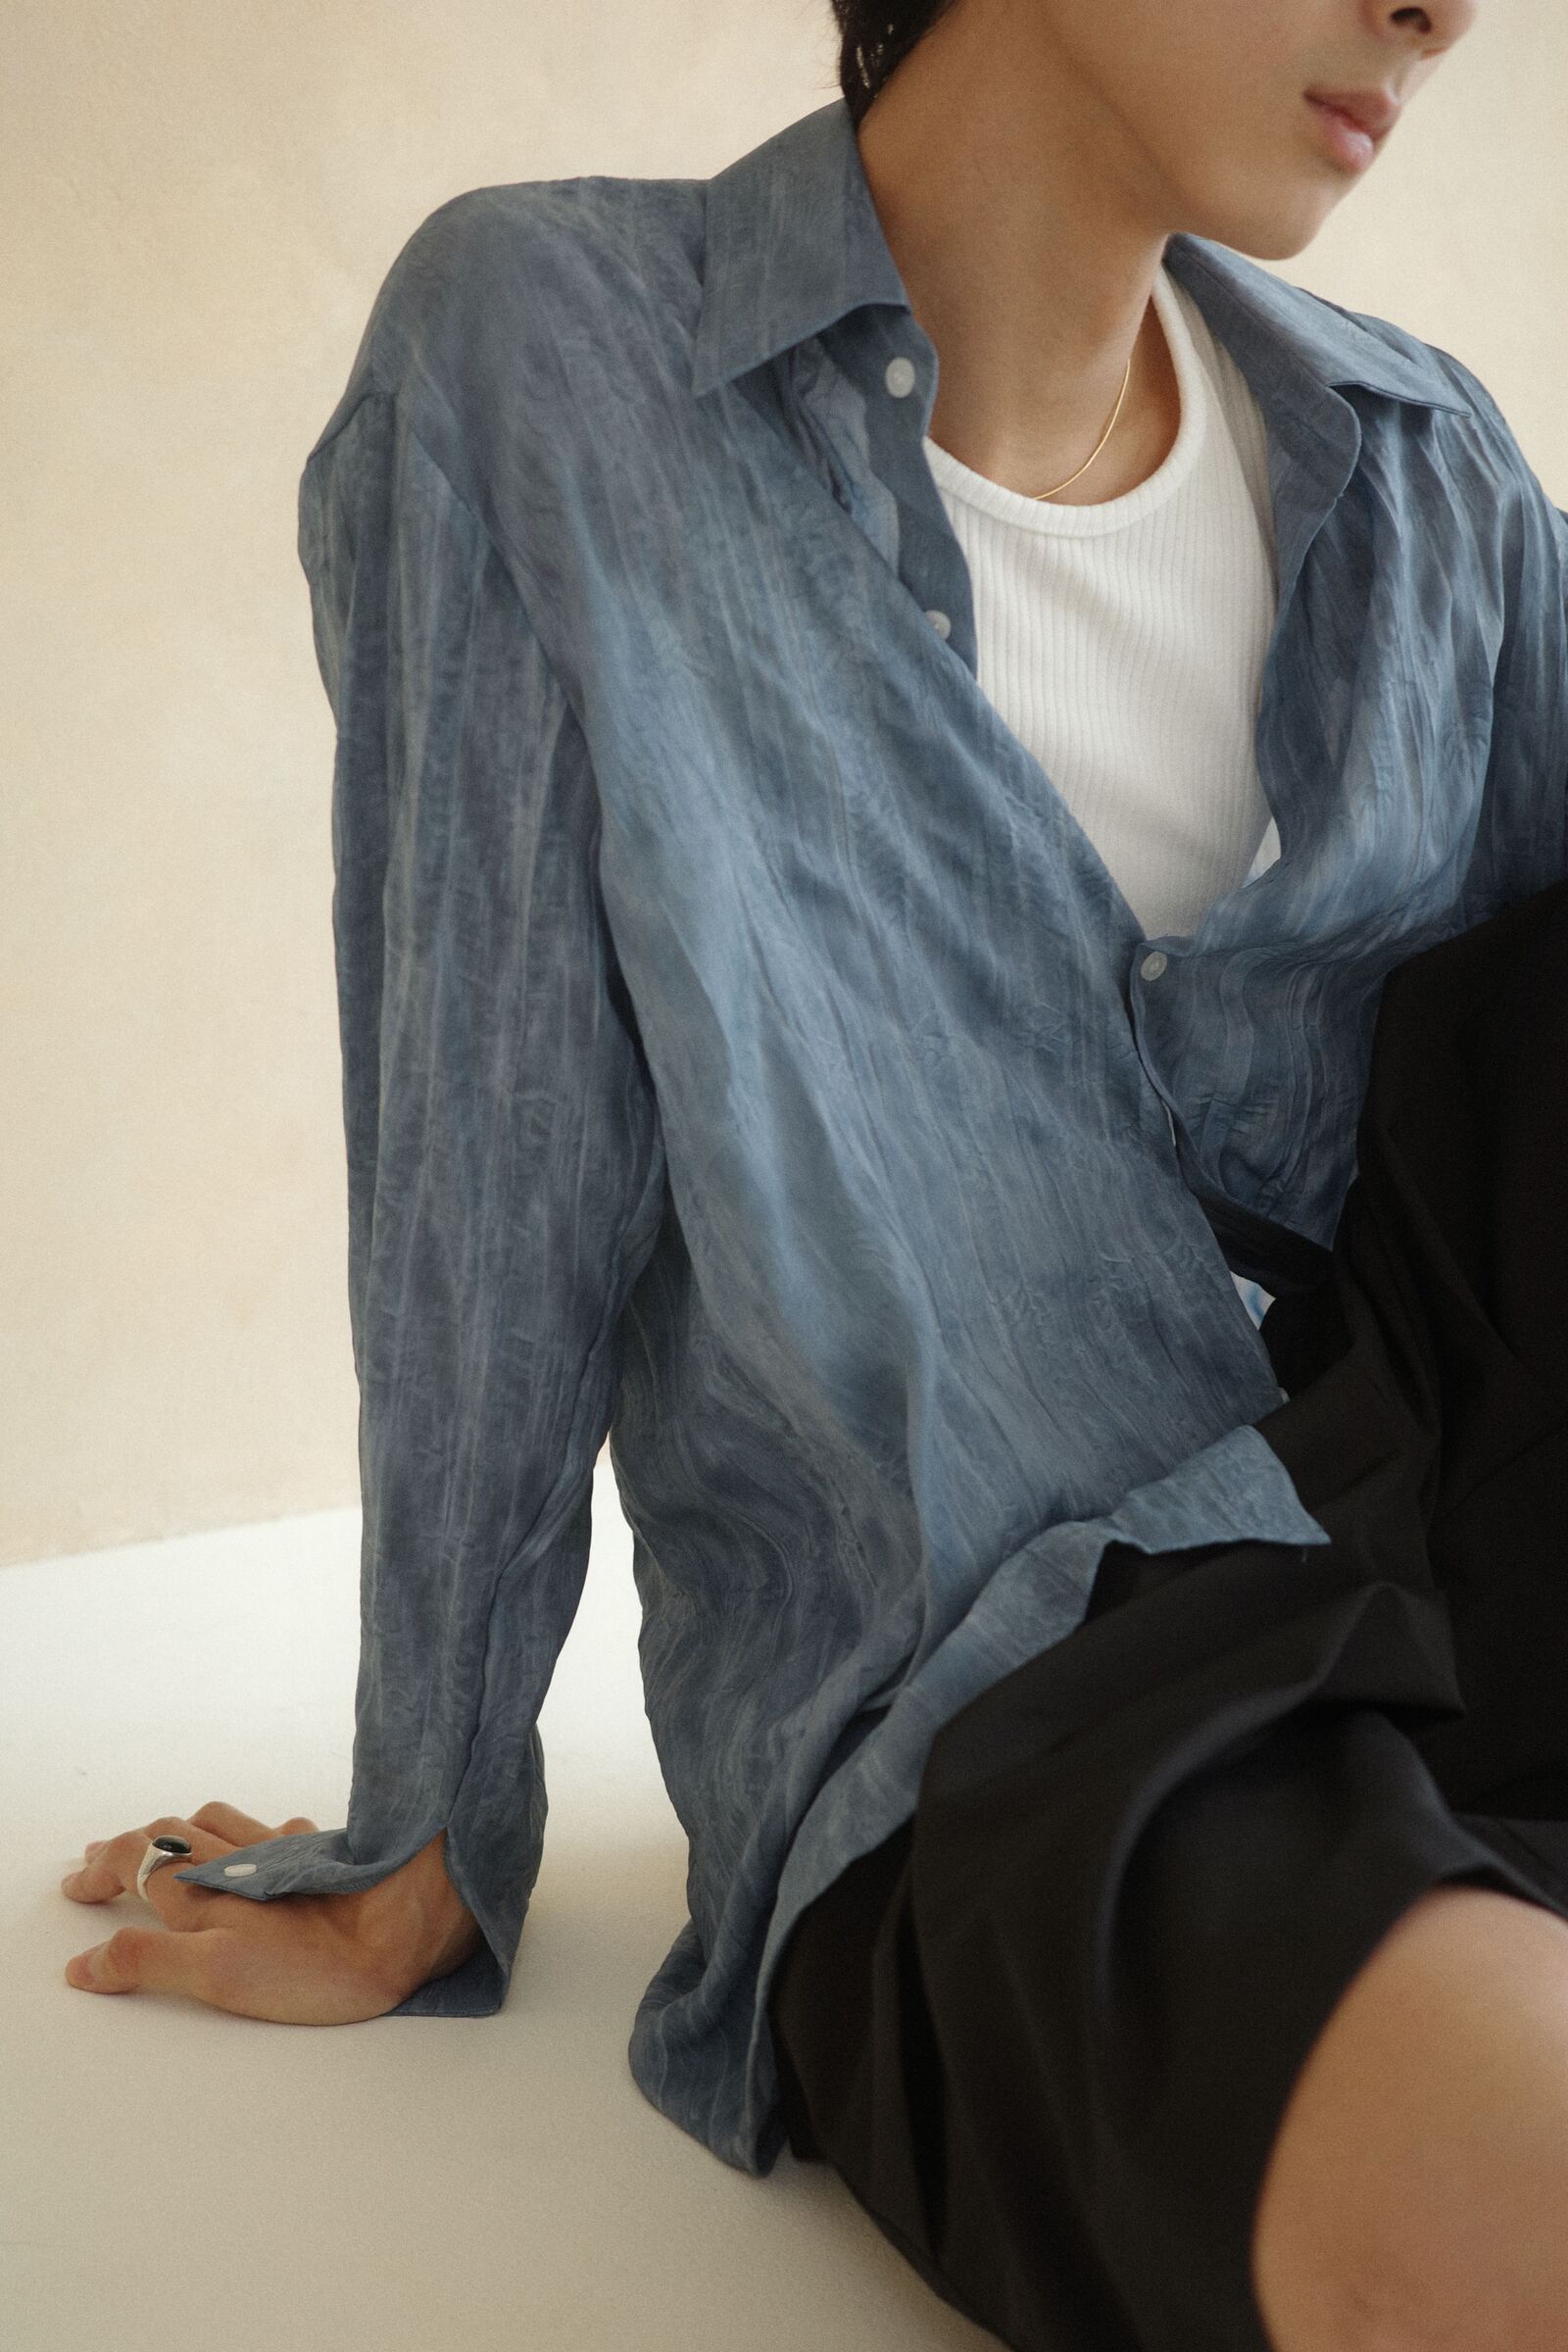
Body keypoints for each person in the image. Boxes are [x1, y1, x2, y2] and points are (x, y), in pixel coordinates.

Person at [62, 2, 1568, 2344]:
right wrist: (426, 1820)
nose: (1438, 7)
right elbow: (488, 1165)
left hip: (1491, 1538)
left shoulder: (1428, 465)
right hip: (1048, 1711)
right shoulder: (554, 356)